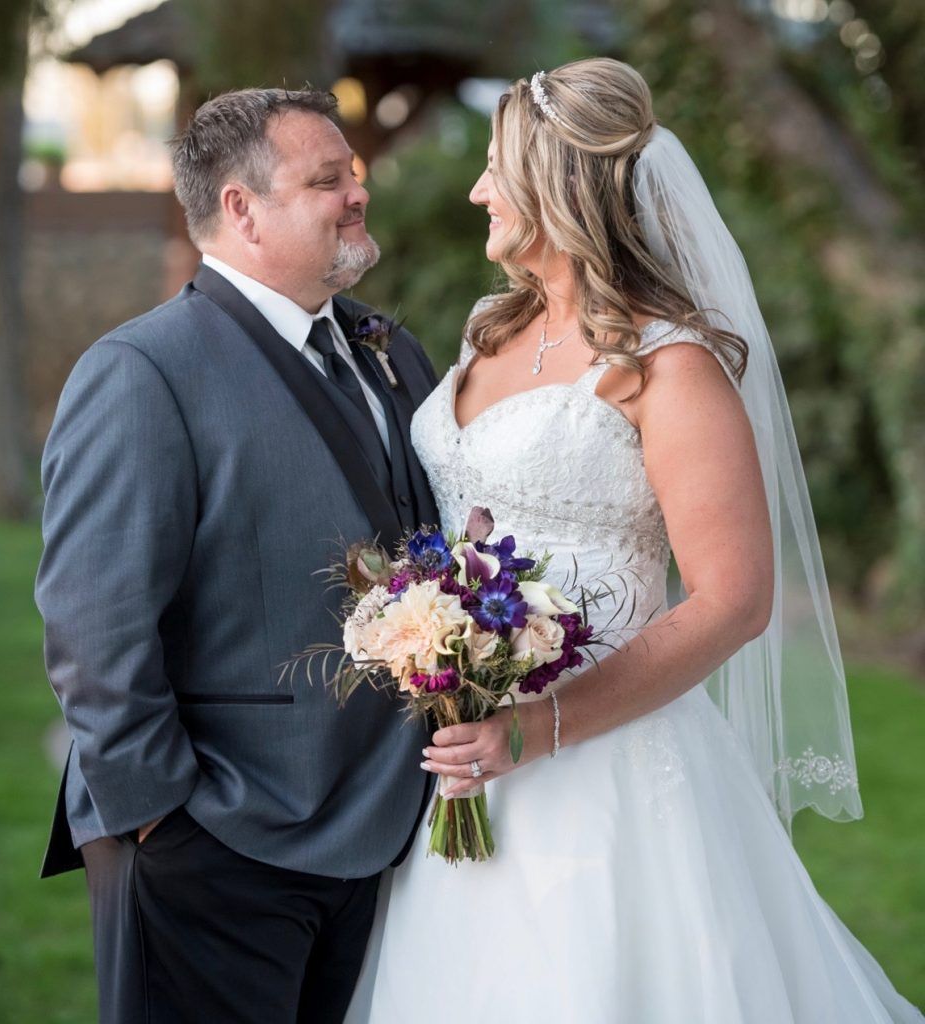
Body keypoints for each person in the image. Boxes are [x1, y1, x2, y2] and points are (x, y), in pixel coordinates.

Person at [346, 58, 924, 1023]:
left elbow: (735, 599)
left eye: (496, 168)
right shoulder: (491, 332)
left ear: (557, 187)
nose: (477, 188)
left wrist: (539, 728)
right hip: (463, 766)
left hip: (611, 772)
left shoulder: (671, 365)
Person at [35, 87, 439, 1024]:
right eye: (326, 180)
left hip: (377, 832)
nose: (356, 196)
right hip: (213, 843)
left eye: (356, 177)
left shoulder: (390, 351)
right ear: (241, 208)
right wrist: (163, 819)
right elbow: (95, 624)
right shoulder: (143, 372)